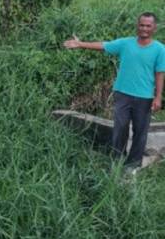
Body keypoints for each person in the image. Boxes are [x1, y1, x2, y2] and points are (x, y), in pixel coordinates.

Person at [63, 12, 165, 168]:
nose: (144, 28)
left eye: (148, 26)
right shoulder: (126, 43)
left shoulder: (159, 49)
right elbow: (104, 45)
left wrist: (158, 97)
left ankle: (133, 165)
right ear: (137, 26)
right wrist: (80, 44)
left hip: (144, 97)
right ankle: (116, 161)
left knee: (140, 132)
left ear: (154, 28)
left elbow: (160, 73)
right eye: (141, 25)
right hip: (122, 94)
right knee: (120, 128)